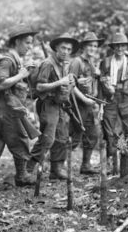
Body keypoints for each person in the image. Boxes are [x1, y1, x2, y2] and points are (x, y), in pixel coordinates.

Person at [26, 33, 95, 180]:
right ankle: (28, 168)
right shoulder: (48, 63)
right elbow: (39, 86)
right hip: (48, 103)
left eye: (69, 49)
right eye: (63, 48)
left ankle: (56, 170)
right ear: (56, 48)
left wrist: (74, 83)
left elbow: (68, 82)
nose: (66, 51)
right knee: (48, 138)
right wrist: (59, 83)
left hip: (61, 104)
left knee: (62, 137)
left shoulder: (65, 64)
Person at [0, 24, 38, 193]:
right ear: (18, 42)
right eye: (27, 43)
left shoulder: (12, 60)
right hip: (6, 110)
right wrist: (22, 75)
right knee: (20, 140)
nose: (29, 46)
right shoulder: (7, 60)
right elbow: (0, 84)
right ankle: (22, 176)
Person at [99, 33, 128, 174]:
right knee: (110, 131)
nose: (119, 48)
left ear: (126, 47)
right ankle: (112, 165)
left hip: (126, 98)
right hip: (110, 99)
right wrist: (106, 87)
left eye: (122, 45)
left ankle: (127, 165)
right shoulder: (105, 62)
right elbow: (101, 80)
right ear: (113, 47)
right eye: (117, 45)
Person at [69, 32, 104, 175]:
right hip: (77, 104)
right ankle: (55, 166)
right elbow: (71, 84)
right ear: (83, 46)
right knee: (74, 136)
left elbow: (93, 85)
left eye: (95, 46)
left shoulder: (92, 63)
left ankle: (86, 165)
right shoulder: (77, 62)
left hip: (88, 105)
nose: (93, 48)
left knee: (92, 135)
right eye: (90, 45)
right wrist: (84, 99)